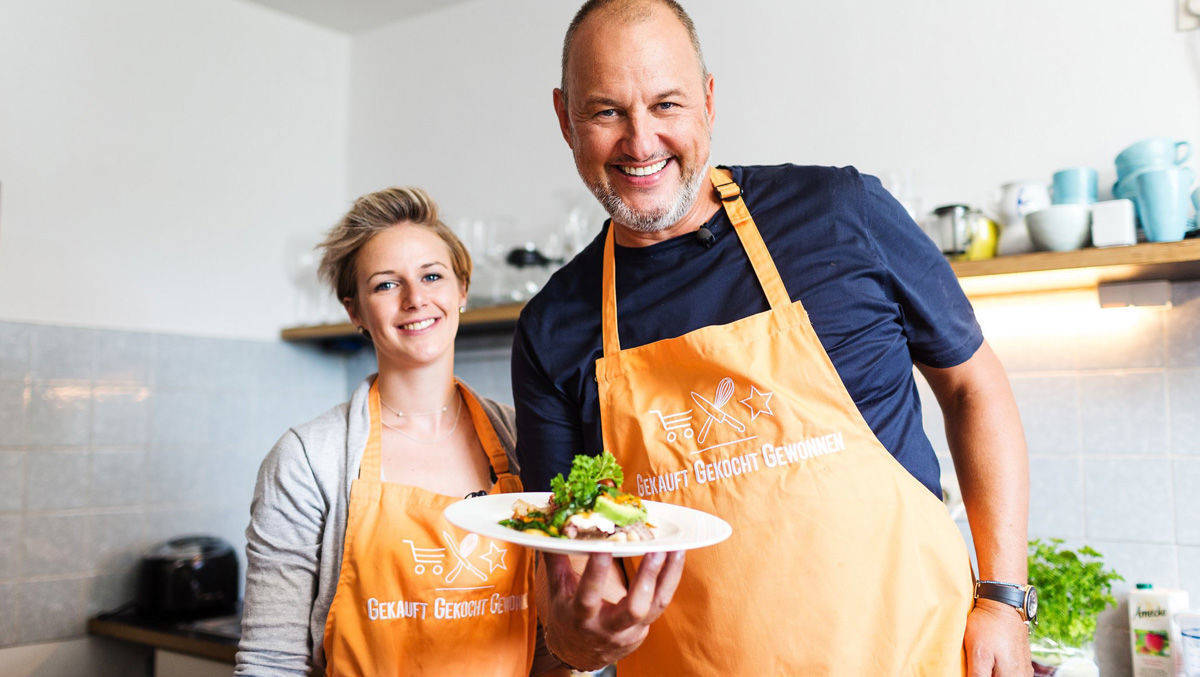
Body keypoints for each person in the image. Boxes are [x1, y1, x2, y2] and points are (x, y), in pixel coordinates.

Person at [512, 1, 1033, 675]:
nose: (640, 143)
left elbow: (973, 385)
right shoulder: (552, 328)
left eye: (666, 104)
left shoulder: (842, 214)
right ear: (565, 118)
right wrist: (584, 641)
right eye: (606, 111)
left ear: (707, 99)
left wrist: (1002, 598)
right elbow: (572, 579)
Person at [237, 187, 561, 676]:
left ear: (461, 290)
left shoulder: (524, 440)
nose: (416, 299)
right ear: (355, 312)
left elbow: (550, 646)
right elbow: (270, 662)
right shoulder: (308, 460)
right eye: (386, 285)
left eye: (432, 276)